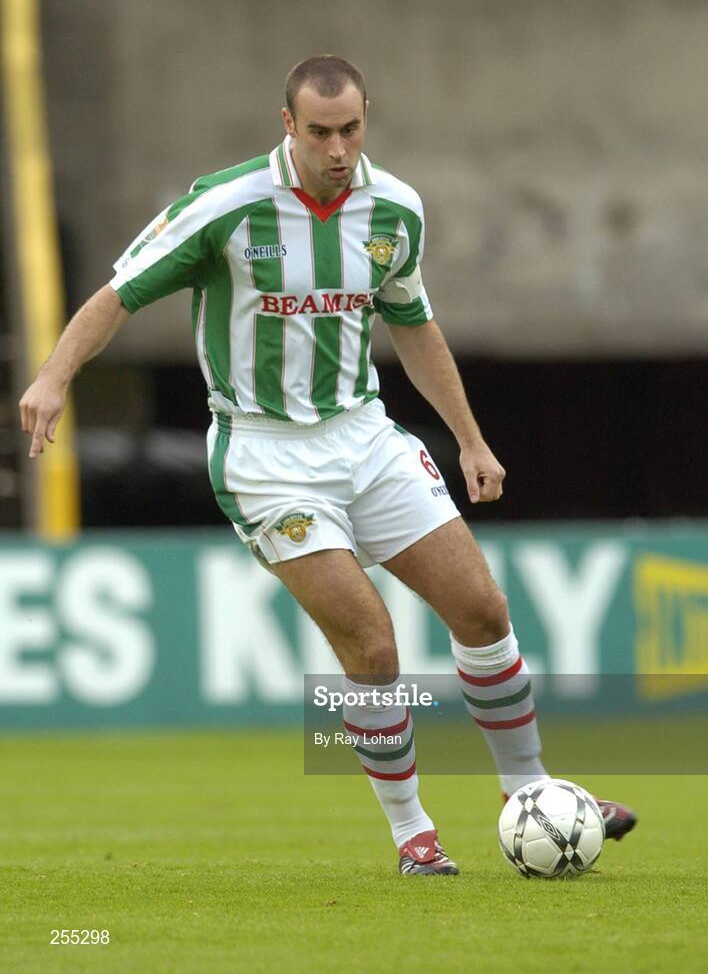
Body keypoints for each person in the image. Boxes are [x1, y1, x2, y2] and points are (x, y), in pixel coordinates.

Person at [20, 55, 635, 875]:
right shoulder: (228, 204)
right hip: (266, 457)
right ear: (288, 126)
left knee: (483, 611)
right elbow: (117, 293)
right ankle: (414, 835)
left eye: (350, 129)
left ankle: (527, 791)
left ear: (366, 118)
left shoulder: (395, 210)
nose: (337, 149)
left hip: (366, 438)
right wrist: (55, 376)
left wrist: (470, 438)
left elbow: (414, 325)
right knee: (372, 646)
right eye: (319, 132)